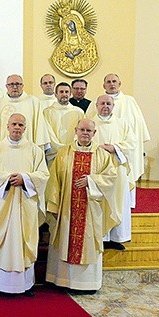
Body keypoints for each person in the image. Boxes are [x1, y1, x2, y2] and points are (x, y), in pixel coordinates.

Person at [45, 118, 120, 293]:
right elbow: (54, 181)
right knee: (65, 238)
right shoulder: (64, 153)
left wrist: (92, 180)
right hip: (66, 210)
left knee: (87, 241)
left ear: (94, 134)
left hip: (91, 210)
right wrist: (54, 206)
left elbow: (111, 179)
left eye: (89, 131)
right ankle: (62, 280)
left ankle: (87, 284)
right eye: (82, 130)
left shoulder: (102, 155)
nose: (85, 133)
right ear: (76, 130)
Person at [0, 113, 49, 297]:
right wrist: (7, 179)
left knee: (24, 241)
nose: (17, 128)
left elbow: (43, 175)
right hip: (3, 206)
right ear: (7, 126)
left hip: (25, 205)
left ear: (25, 128)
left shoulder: (35, 151)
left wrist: (25, 179)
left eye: (21, 124)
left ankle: (25, 285)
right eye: (14, 124)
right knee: (3, 242)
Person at [86, 74, 150, 202]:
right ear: (104, 85)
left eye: (114, 81)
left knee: (121, 196)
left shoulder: (130, 101)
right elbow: (86, 127)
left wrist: (115, 147)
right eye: (108, 82)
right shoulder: (95, 103)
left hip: (120, 157)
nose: (111, 84)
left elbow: (135, 131)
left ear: (119, 84)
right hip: (98, 160)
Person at [89, 95, 137, 250]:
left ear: (113, 106)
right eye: (102, 103)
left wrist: (114, 147)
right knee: (99, 203)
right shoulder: (90, 123)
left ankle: (116, 238)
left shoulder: (122, 124)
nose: (105, 106)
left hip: (117, 170)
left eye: (108, 103)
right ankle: (100, 237)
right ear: (96, 105)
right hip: (97, 170)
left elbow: (131, 144)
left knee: (118, 202)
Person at [0, 74, 51, 148]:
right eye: (11, 84)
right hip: (3, 150)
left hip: (28, 149)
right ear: (6, 86)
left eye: (17, 84)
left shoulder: (33, 102)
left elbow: (40, 127)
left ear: (22, 86)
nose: (14, 87)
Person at [43, 82, 84, 163]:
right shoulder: (48, 112)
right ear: (55, 94)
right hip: (54, 154)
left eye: (66, 92)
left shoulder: (78, 112)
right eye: (61, 92)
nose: (64, 94)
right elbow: (48, 133)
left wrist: (71, 148)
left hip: (73, 153)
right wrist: (59, 148)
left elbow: (81, 132)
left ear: (70, 94)